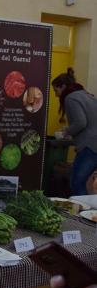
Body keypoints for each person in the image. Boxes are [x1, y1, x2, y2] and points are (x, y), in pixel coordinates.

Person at [52, 68, 97, 196]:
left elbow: (80, 122)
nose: (56, 95)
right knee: (83, 183)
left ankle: (81, 213)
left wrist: (65, 132)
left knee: (77, 182)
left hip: (90, 147)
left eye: (56, 90)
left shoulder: (71, 98)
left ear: (63, 86)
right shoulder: (86, 95)